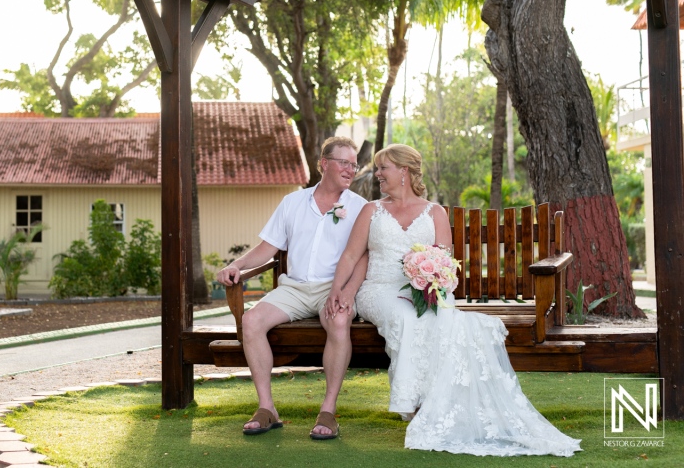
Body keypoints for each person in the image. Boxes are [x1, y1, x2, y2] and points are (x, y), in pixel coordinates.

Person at [327, 144, 582, 456]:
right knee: (407, 317)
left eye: (384, 168)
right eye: (378, 169)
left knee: (443, 319)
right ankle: (412, 404)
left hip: (422, 289)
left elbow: (444, 262)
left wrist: (434, 284)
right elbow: (352, 254)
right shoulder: (372, 210)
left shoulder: (434, 211)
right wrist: (338, 291)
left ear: (404, 172)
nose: (378, 174)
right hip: (378, 289)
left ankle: (435, 405)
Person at [217, 136, 368, 440]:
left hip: (333, 288)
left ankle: (327, 410)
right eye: (344, 163)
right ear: (324, 163)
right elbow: (268, 248)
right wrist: (237, 265)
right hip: (295, 288)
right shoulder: (292, 202)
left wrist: (347, 292)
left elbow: (364, 256)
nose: (351, 169)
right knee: (251, 321)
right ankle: (267, 408)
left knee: (339, 322)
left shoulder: (360, 207)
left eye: (354, 165)